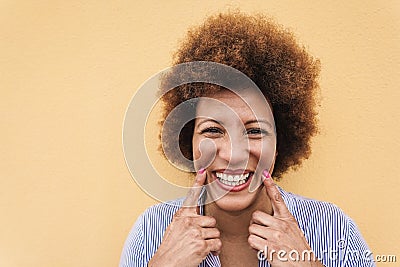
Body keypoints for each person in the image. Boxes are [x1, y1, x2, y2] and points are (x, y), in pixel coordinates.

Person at [120, 11, 374, 267]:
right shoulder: (150, 232)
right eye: (213, 131)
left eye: (254, 131)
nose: (234, 155)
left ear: (279, 144)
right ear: (189, 141)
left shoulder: (335, 230)